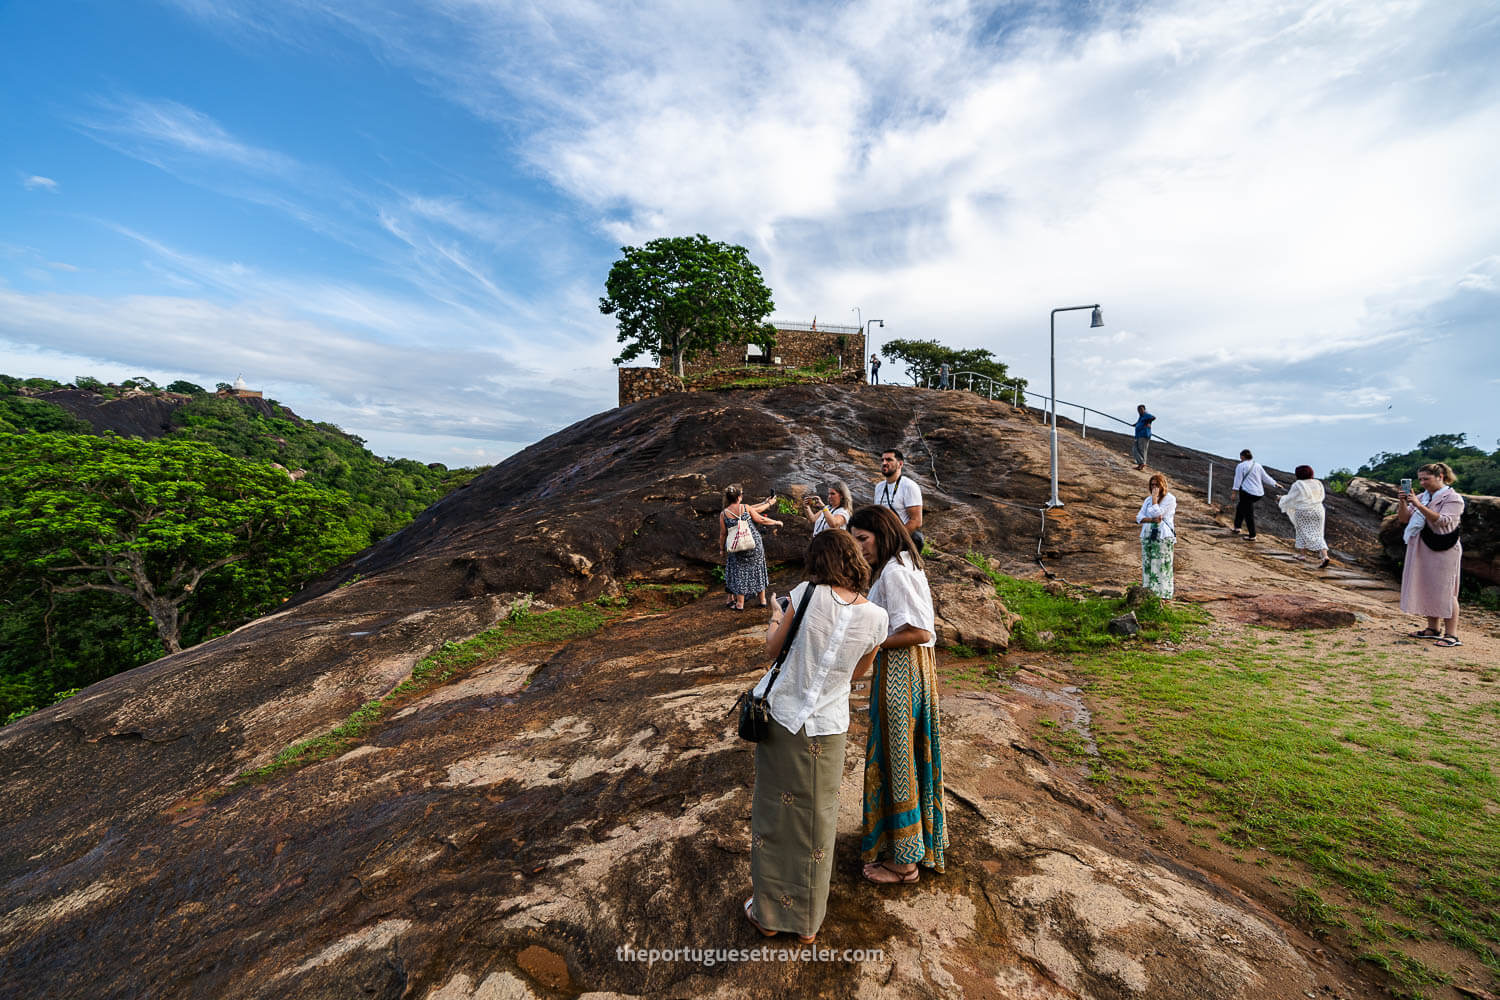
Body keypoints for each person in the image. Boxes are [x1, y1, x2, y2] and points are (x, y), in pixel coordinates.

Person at [743, 531, 888, 944]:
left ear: (818, 561)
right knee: (818, 822)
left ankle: (768, 915)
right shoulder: (877, 618)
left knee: (773, 816)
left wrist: (775, 613)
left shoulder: (805, 593)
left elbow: (773, 649)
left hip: (785, 721)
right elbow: (858, 674)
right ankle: (807, 923)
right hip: (828, 729)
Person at [847, 505, 948, 885]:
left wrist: (873, 643)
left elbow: (920, 630)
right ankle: (908, 844)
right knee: (901, 757)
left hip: (902, 671)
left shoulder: (895, 571)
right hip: (908, 668)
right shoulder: (903, 564)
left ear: (883, 533)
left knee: (898, 759)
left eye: (863, 539)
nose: (859, 549)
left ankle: (904, 863)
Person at [1398, 462, 1465, 647]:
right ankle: (1433, 628)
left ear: (1440, 477)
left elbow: (1443, 521)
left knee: (1447, 589)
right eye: (1420, 479)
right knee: (1428, 586)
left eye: (1426, 479)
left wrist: (1418, 505)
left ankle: (1452, 634)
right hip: (1422, 546)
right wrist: (1403, 501)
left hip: (1445, 548)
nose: (1422, 483)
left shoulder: (1453, 498)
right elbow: (1404, 519)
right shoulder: (1422, 497)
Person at [718, 484, 783, 611]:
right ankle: (763, 600)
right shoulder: (745, 508)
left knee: (739, 572)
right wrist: (776, 522)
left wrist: (721, 549)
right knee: (758, 568)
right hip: (753, 543)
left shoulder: (724, 513)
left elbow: (723, 534)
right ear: (739, 497)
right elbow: (761, 519)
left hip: (737, 546)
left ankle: (740, 604)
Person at [1134, 473, 1178, 599]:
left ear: (1162, 485)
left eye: (1157, 485)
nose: (1154, 487)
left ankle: (1164, 595)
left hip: (1162, 536)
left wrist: (1154, 499)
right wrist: (1151, 520)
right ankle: (1148, 592)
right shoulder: (1147, 500)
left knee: (1162, 564)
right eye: (1152, 485)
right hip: (1147, 534)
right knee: (1148, 563)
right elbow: (1139, 518)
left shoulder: (1170, 499)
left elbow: (1158, 513)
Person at [1279, 466, 1330, 567]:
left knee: (1301, 530)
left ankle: (1304, 555)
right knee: (1318, 533)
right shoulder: (1318, 483)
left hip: (1303, 511)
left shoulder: (1298, 484)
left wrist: (1281, 498)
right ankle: (1324, 556)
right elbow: (1320, 497)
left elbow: (1291, 498)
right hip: (1318, 510)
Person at [873, 449, 925, 549]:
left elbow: (917, 521)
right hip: (882, 542)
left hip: (902, 543)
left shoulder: (909, 486)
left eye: (889, 460)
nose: (884, 463)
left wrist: (895, 539)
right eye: (882, 460)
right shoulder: (879, 487)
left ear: (900, 464)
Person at [1230, 449, 1281, 540]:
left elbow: (1237, 480)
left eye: (1240, 456)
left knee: (1248, 513)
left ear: (1242, 456)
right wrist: (1275, 484)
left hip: (1247, 493)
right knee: (1241, 506)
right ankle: (1237, 527)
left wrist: (1234, 492)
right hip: (1258, 493)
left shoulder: (1241, 466)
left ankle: (1252, 535)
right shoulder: (1257, 465)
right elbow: (1265, 477)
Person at [1131, 404, 1155, 470]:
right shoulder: (1141, 417)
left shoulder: (1146, 415)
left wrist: (1148, 422)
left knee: (1142, 450)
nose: (1139, 411)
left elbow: (1153, 417)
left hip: (1144, 435)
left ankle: (1141, 464)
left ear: (1144, 409)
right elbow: (1140, 422)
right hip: (1138, 435)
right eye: (1138, 410)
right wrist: (1135, 425)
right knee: (1135, 449)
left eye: (1141, 409)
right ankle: (1141, 463)